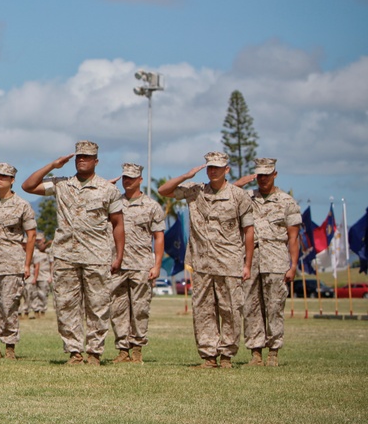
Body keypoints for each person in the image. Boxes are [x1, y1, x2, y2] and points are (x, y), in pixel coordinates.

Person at [21, 141, 125, 366]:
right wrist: (52, 166)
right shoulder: (62, 184)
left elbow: (118, 224)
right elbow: (28, 186)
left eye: (87, 157)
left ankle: (95, 352)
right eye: (79, 156)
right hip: (65, 255)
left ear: (96, 161)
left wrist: (118, 256)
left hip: (96, 256)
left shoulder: (108, 190)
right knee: (66, 305)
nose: (82, 160)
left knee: (97, 305)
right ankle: (75, 352)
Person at [158, 151, 253, 369]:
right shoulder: (195, 191)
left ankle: (227, 356)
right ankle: (209, 356)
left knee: (230, 309)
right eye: (210, 167)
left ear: (226, 170)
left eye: (217, 168)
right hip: (201, 262)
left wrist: (247, 264)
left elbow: (249, 231)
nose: (213, 171)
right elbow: (164, 191)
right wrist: (186, 175)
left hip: (229, 262)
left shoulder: (238, 196)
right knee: (203, 310)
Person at [235, 158, 301, 367]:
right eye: (259, 174)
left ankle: (273, 352)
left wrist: (293, 265)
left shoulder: (287, 201)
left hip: (276, 259)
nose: (263, 179)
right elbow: (229, 192)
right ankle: (256, 354)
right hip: (250, 259)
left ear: (275, 174)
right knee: (251, 307)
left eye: (267, 174)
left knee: (274, 307)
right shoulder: (248, 197)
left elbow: (293, 237)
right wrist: (245, 181)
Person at [109, 163, 165, 364]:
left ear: (140, 179)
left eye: (131, 178)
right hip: (117, 264)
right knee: (117, 308)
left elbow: (158, 237)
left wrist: (157, 265)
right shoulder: (114, 203)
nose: (127, 182)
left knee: (140, 309)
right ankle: (123, 349)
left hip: (141, 264)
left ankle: (137, 349)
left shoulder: (151, 206)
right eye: (125, 178)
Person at [0, 163, 37, 360]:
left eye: (4, 177)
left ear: (12, 180)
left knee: (9, 305)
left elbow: (31, 235)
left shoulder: (22, 205)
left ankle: (10, 348)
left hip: (12, 260)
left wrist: (27, 263)